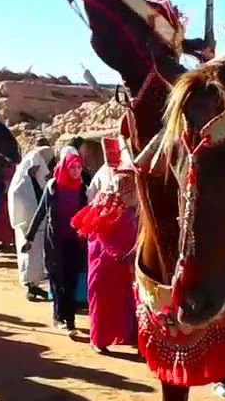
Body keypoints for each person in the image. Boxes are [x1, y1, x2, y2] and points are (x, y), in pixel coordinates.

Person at [73, 137, 140, 354]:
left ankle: (127, 336)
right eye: (126, 184)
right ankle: (99, 339)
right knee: (103, 298)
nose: (129, 189)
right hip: (105, 263)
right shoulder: (105, 207)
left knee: (127, 300)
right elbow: (101, 236)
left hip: (124, 266)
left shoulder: (132, 209)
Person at [22, 148, 89, 335]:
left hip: (74, 242)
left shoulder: (82, 189)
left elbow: (86, 214)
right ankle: (58, 316)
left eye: (78, 167)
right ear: (65, 167)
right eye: (72, 167)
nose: (76, 171)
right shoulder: (53, 187)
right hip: (55, 242)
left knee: (71, 280)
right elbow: (40, 212)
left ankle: (70, 320)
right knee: (57, 279)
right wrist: (29, 237)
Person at [10, 139, 56, 301]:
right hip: (28, 225)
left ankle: (35, 285)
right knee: (30, 254)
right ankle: (31, 286)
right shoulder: (23, 185)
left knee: (37, 255)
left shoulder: (33, 182)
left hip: (37, 225)